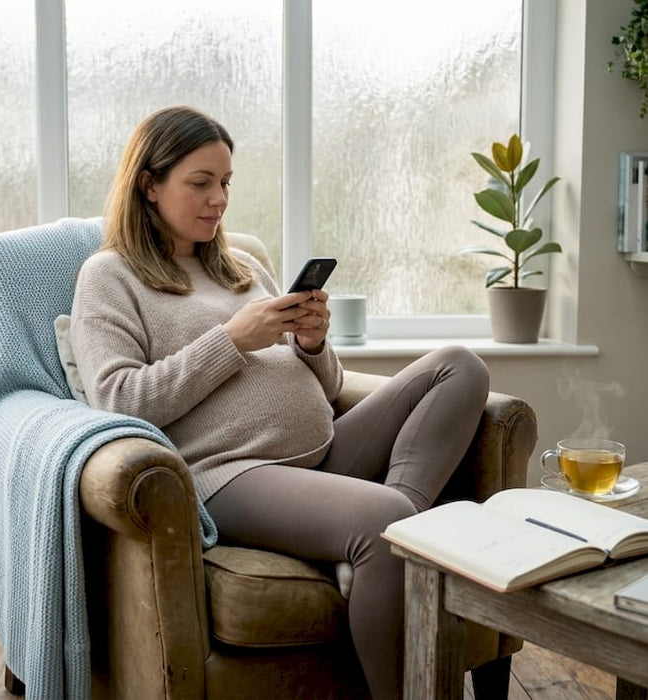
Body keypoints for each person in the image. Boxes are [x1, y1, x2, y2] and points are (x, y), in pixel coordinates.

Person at [69, 105, 490, 700]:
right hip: (227, 473)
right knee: (383, 521)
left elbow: (324, 387)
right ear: (149, 184)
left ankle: (384, 544)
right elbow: (119, 400)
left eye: (225, 183)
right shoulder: (110, 275)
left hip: (322, 453)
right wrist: (234, 339)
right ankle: (387, 540)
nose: (218, 199)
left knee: (460, 366)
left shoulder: (243, 267)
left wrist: (314, 343)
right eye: (200, 182)